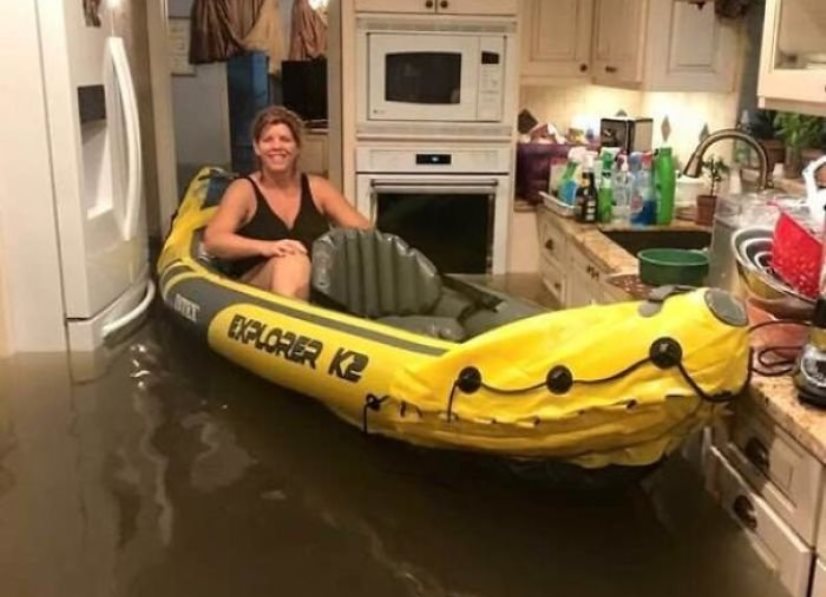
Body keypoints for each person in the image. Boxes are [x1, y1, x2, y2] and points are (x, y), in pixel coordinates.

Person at [204, 106, 370, 299]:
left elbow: (365, 232)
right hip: (255, 287)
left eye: (285, 139)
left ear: (297, 147)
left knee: (301, 264)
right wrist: (268, 247)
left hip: (312, 283)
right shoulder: (243, 190)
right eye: (268, 140)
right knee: (291, 259)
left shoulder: (319, 188)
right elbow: (214, 240)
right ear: (257, 147)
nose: (277, 146)